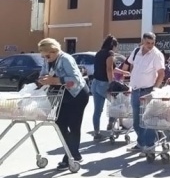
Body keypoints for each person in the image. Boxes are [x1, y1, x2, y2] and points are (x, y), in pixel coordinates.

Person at [37, 38, 89, 170]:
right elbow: (43, 74)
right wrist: (42, 79)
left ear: (54, 51)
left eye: (47, 55)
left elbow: (75, 80)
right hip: (61, 96)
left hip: (76, 95)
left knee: (74, 125)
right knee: (60, 124)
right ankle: (73, 153)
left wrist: (54, 80)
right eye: (43, 56)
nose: (46, 58)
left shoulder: (65, 59)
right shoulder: (47, 60)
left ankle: (70, 157)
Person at [124, 32, 165, 153]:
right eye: (148, 43)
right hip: (135, 90)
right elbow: (131, 66)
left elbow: (161, 73)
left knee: (148, 120)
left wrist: (154, 90)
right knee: (137, 122)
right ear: (143, 41)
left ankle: (149, 145)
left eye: (153, 43)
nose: (150, 45)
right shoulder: (136, 51)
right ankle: (141, 143)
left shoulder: (157, 55)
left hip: (147, 91)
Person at [91, 35, 119, 140]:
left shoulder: (99, 53)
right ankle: (110, 124)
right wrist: (111, 84)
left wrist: (124, 72)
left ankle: (96, 133)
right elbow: (109, 69)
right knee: (117, 104)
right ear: (113, 45)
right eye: (116, 46)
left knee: (97, 110)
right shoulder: (110, 54)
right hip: (104, 84)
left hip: (95, 83)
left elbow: (111, 68)